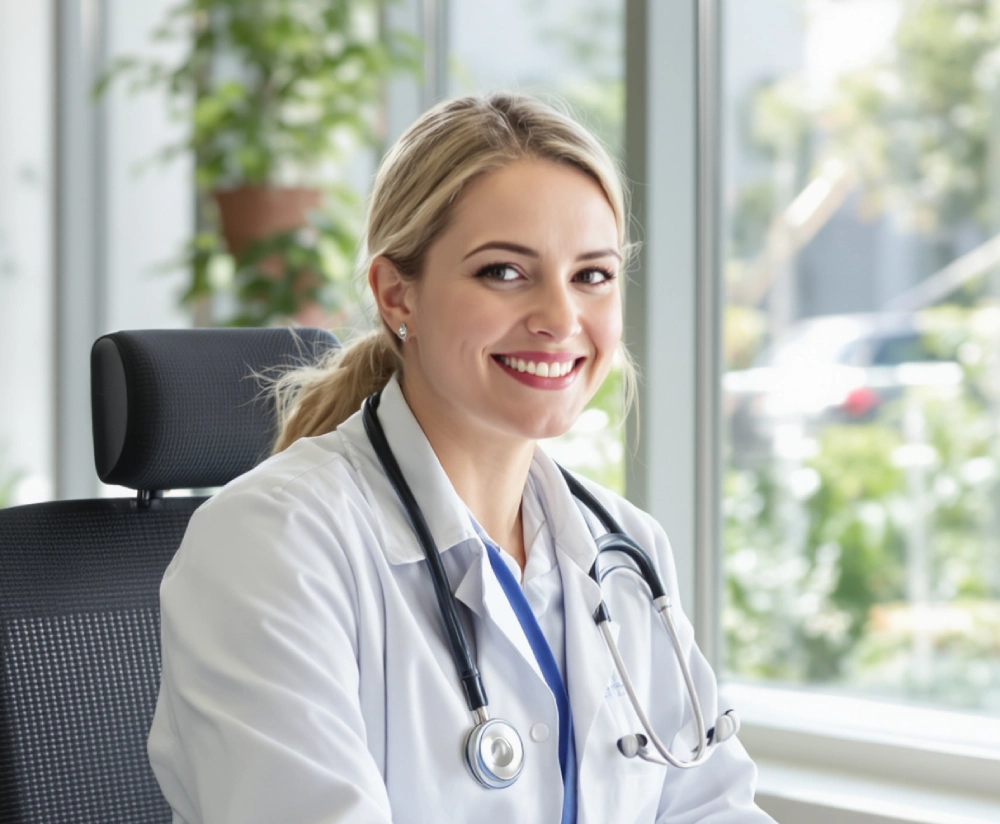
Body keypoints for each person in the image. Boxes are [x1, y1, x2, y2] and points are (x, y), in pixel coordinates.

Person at [148, 93, 775, 823]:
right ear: (396, 295)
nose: (560, 319)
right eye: (504, 272)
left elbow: (712, 808)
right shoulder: (273, 544)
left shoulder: (624, 549)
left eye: (592, 275)